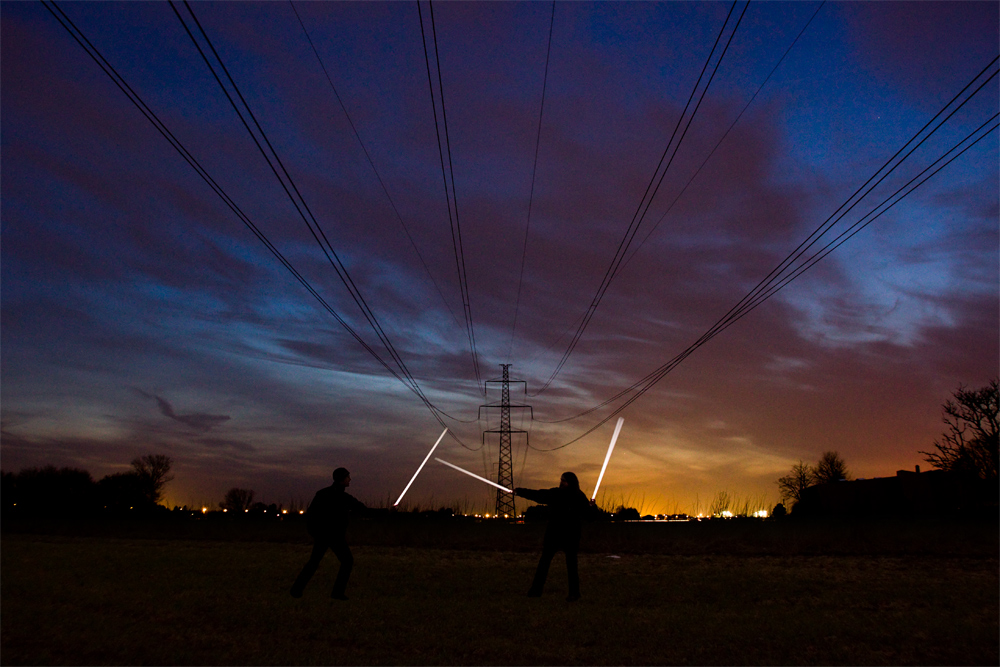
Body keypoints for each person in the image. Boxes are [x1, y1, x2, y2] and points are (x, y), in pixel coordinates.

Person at [514, 472, 594, 602]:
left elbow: (590, 516)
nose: (561, 482)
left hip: (561, 535)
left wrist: (591, 507)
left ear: (570, 482)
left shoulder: (565, 495)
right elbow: (538, 495)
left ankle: (568, 593)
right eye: (561, 480)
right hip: (563, 535)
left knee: (564, 564)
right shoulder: (577, 495)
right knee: (549, 563)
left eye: (564, 480)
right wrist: (520, 492)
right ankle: (538, 591)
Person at [290, 467, 367, 600]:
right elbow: (363, 509)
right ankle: (337, 593)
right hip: (332, 536)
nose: (350, 479)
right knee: (347, 561)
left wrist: (315, 532)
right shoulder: (339, 497)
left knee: (314, 562)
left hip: (324, 535)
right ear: (342, 479)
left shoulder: (325, 494)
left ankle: (296, 590)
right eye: (348, 477)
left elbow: (362, 509)